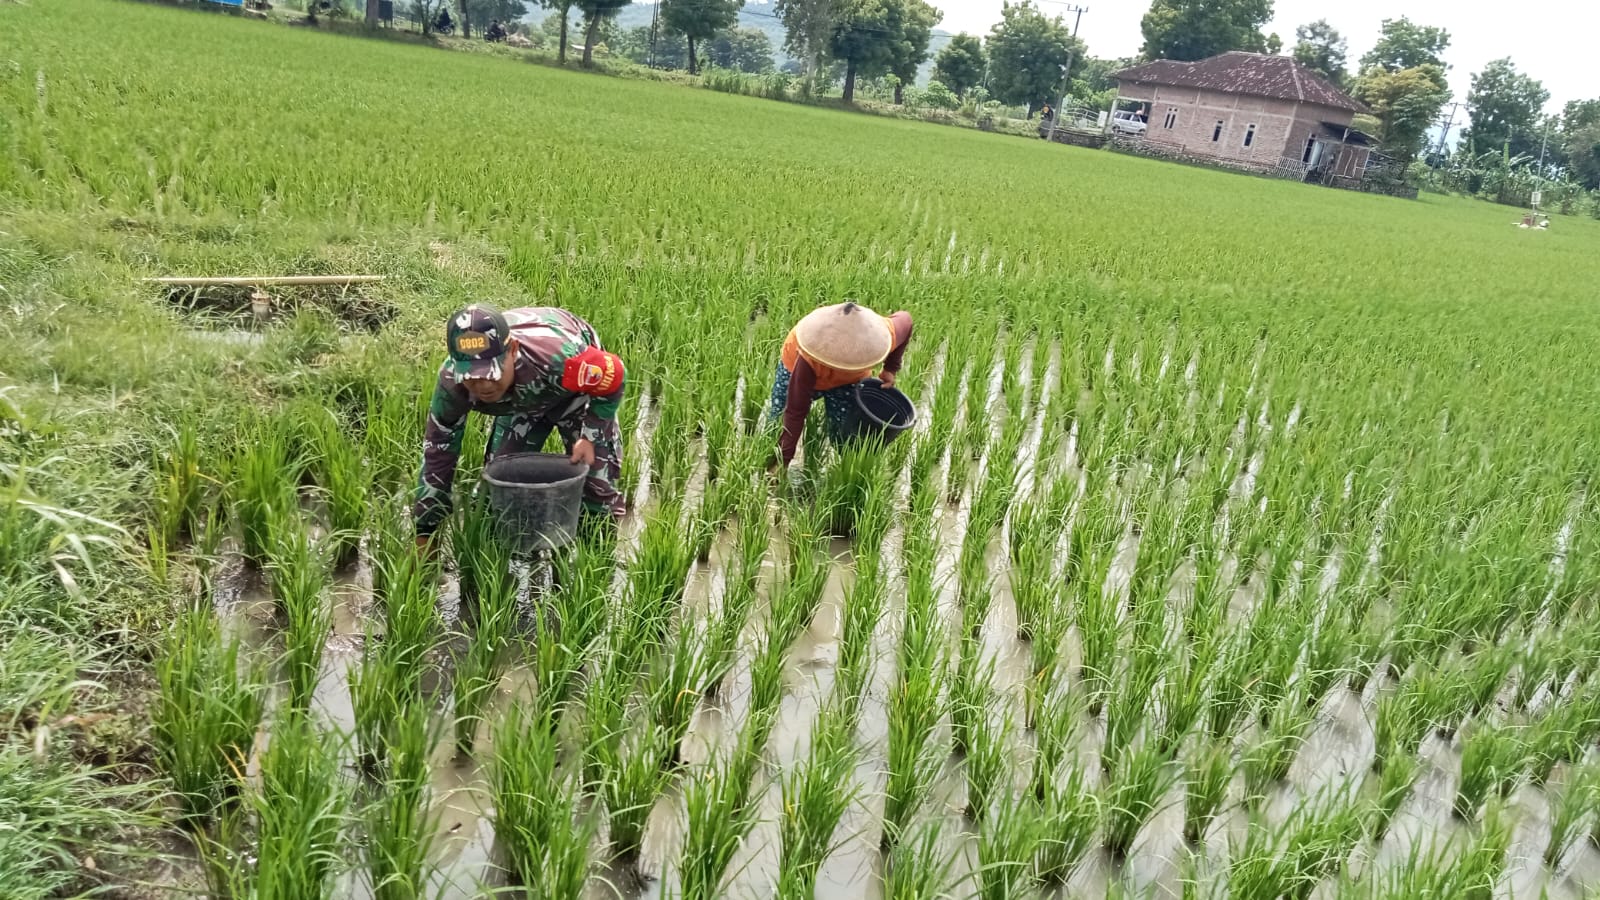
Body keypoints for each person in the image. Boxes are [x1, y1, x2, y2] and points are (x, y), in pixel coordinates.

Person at [414, 304, 627, 552]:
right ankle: (508, 553)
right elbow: (437, 455)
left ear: (512, 350)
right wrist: (425, 531)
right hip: (520, 404)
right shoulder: (452, 385)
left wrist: (590, 436)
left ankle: (597, 555)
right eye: (472, 376)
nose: (483, 387)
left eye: (490, 373)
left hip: (572, 392)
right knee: (500, 486)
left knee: (597, 484)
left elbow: (613, 375)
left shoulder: (562, 357)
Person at [768, 301, 913, 467]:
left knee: (846, 432)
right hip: (796, 369)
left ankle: (848, 468)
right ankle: (773, 456)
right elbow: (795, 411)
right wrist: (782, 460)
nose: (839, 367)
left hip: (850, 381)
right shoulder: (809, 358)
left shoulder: (881, 333)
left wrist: (890, 369)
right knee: (778, 422)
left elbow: (906, 320)